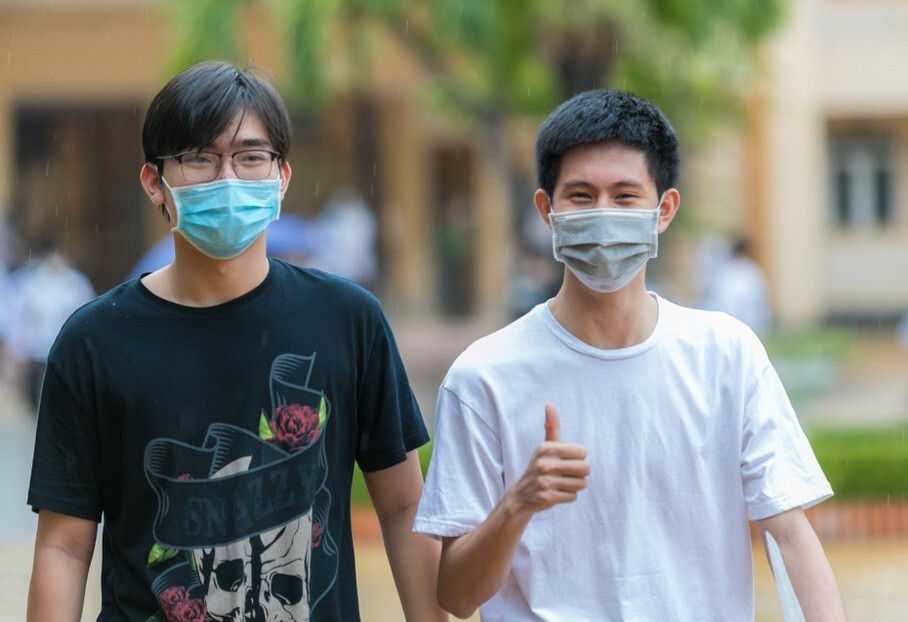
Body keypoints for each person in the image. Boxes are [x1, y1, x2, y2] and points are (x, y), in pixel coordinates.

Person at [27, 61, 446, 622]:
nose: (228, 178)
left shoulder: (348, 320)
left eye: (251, 157)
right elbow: (63, 545)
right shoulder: (92, 343)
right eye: (200, 158)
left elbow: (403, 505)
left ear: (282, 177)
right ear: (154, 181)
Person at [414, 89, 846, 620]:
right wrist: (517, 504)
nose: (603, 214)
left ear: (664, 210)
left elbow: (790, 534)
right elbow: (457, 596)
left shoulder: (727, 357)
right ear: (546, 210)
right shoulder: (484, 377)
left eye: (624, 196)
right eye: (580, 195)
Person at [6, 240, 96, 412]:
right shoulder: (34, 282)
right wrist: (19, 347)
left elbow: (87, 313)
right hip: (39, 346)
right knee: (37, 388)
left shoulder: (77, 283)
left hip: (65, 344)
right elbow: (24, 316)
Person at [701, 236, 774, 335]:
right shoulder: (753, 272)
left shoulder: (725, 272)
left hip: (728, 325)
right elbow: (762, 302)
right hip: (751, 325)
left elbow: (716, 301)